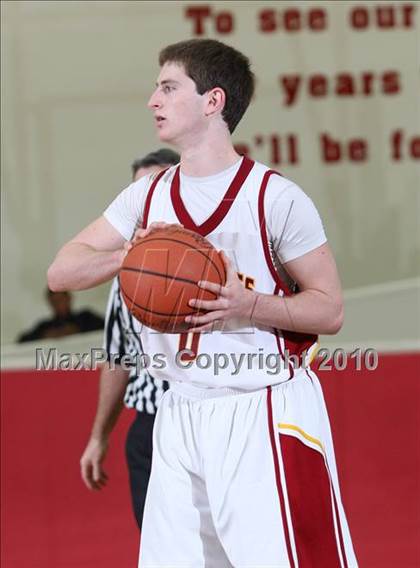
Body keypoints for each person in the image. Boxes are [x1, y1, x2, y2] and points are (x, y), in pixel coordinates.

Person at [48, 39, 357, 567]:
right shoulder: (144, 198)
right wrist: (131, 253)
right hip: (179, 409)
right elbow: (62, 270)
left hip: (262, 408)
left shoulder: (275, 198)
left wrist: (249, 305)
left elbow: (330, 310)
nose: (153, 100)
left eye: (168, 87)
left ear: (213, 101)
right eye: (156, 88)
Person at [79, 148, 179, 530]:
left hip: (215, 422)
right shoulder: (126, 271)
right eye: (138, 197)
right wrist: (98, 437)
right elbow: (118, 358)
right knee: (160, 548)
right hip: (150, 427)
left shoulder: (218, 260)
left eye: (155, 192)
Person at [17, 288, 104, 342]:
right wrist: (46, 336)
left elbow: (106, 328)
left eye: (61, 300)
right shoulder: (45, 327)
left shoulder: (85, 318)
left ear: (69, 298)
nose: (58, 304)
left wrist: (78, 330)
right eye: (54, 301)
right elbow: (22, 341)